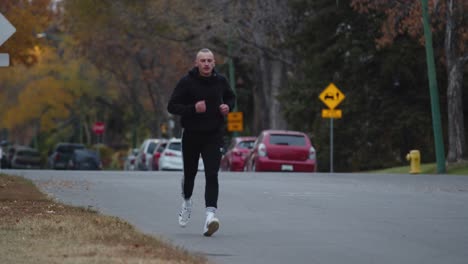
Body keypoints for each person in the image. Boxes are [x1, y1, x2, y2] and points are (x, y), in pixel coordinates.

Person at [167, 48, 236, 236]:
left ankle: (210, 217)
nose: (206, 64)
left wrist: (227, 107)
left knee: (212, 174)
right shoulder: (187, 82)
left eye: (210, 60)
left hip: (214, 135)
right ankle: (187, 201)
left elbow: (231, 97)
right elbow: (172, 106)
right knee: (190, 175)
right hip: (191, 135)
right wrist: (193, 109)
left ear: (214, 63)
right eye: (203, 61)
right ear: (196, 63)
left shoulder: (221, 81)